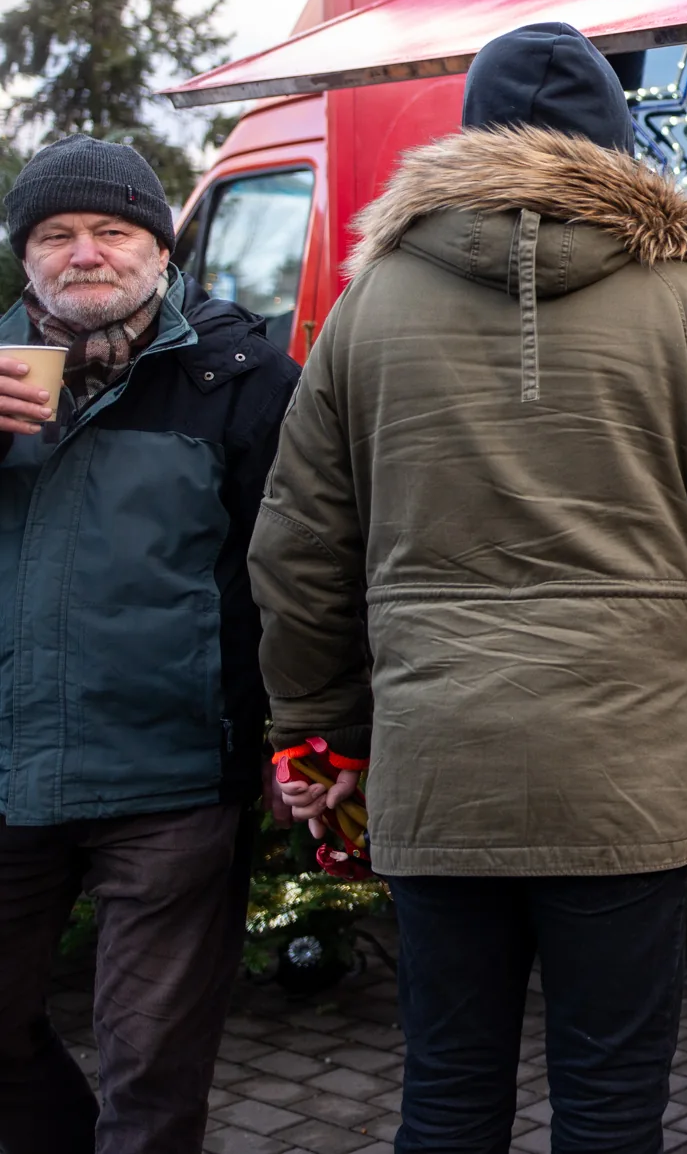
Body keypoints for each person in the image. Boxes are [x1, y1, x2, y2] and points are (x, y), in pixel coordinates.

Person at [254, 22, 687, 1154]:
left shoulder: (373, 307)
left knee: (450, 1092)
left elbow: (301, 545)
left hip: (437, 755)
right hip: (629, 759)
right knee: (613, 1102)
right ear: (616, 139)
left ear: (472, 137)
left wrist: (316, 723)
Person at [0, 135, 302, 1154]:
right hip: (5, 773)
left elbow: (294, 578)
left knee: (155, 1080)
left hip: (171, 786)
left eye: (112, 230)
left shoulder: (244, 378)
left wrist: (289, 736)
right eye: (57, 234)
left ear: (160, 247)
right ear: (26, 255)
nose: (85, 252)